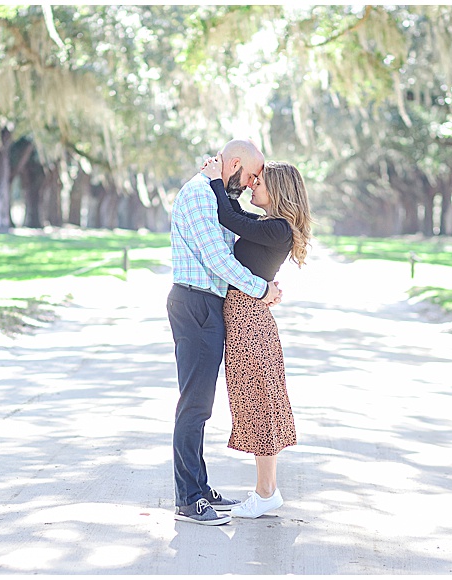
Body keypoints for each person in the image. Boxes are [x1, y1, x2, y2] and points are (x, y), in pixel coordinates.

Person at [168, 139, 283, 526]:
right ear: (233, 163)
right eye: (250, 174)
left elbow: (233, 236)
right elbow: (219, 261)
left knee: (201, 403)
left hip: (206, 305)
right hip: (196, 303)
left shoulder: (211, 195)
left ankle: (199, 487)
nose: (251, 184)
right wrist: (262, 288)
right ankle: (188, 498)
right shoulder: (200, 195)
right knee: (195, 404)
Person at [200, 154, 313, 519]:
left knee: (259, 404)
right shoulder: (270, 225)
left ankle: (266, 492)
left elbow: (227, 217)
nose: (252, 184)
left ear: (277, 191)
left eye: (258, 182)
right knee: (253, 403)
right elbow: (235, 216)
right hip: (245, 318)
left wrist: (217, 178)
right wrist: (225, 185)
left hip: (250, 322)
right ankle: (266, 491)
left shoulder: (278, 228)